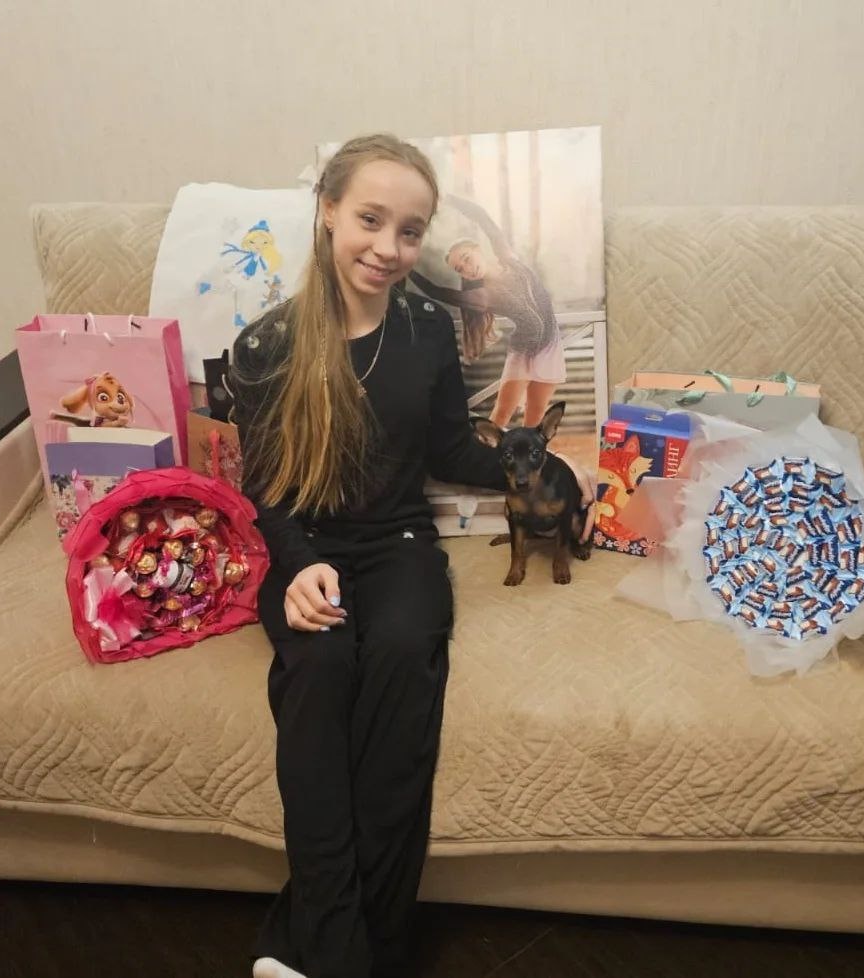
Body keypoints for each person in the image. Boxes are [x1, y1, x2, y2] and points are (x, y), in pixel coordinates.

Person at [229, 133, 591, 978]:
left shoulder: (427, 330)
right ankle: (357, 959)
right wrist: (295, 565)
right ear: (328, 211)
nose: (388, 248)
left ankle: (311, 948)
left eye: (410, 231)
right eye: (370, 219)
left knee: (398, 659)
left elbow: (448, 449)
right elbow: (266, 487)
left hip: (399, 548)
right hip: (306, 550)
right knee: (320, 669)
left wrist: (545, 468)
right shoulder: (266, 346)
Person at [408, 193, 567, 429]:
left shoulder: (507, 258)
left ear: (477, 249)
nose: (467, 268)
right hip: (523, 350)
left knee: (536, 416)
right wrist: (405, 268)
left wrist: (448, 198)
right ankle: (489, 453)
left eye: (466, 258)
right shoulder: (483, 296)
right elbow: (436, 291)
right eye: (459, 268)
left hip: (550, 345)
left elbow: (483, 218)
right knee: (501, 414)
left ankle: (531, 454)